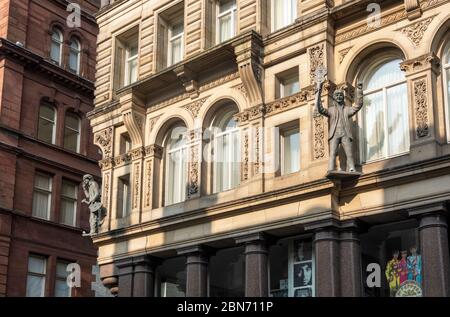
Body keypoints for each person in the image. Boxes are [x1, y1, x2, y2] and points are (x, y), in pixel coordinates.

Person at [314, 78, 364, 172]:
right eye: (337, 95)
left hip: (345, 133)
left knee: (349, 153)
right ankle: (331, 168)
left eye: (340, 95)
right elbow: (320, 109)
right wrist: (318, 92)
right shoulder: (330, 110)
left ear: (343, 97)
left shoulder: (347, 109)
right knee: (332, 153)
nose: (339, 97)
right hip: (334, 133)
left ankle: (352, 168)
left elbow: (358, 105)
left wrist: (360, 90)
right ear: (334, 97)